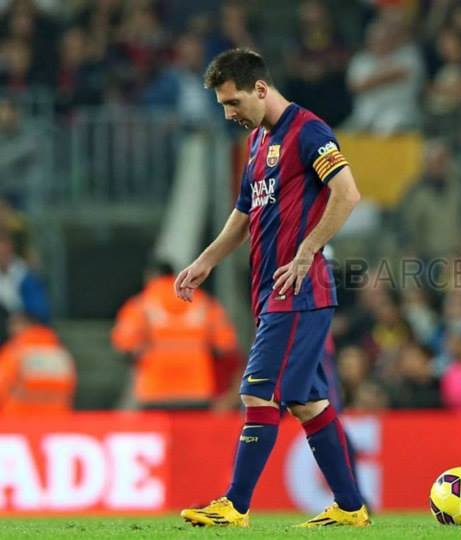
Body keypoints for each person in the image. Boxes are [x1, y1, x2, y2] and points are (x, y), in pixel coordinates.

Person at [175, 48, 368, 528]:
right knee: (307, 403)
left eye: (233, 102)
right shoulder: (257, 143)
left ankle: (235, 505)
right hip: (270, 291)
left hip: (298, 289)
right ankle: (351, 508)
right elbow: (244, 214)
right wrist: (205, 261)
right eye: (223, 105)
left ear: (260, 89)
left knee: (258, 394)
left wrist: (307, 251)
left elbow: (348, 194)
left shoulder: (310, 131)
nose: (229, 114)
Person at [112, 260, 240, 410]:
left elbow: (124, 344)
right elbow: (225, 344)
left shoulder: (140, 304)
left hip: (154, 389)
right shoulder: (204, 303)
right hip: (196, 388)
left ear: (150, 277)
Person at [0, 311, 75, 415]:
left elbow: (2, 384)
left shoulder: (15, 352)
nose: (10, 329)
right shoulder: (60, 353)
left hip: (18, 418)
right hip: (56, 418)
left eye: (14, 324)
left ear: (26, 324)